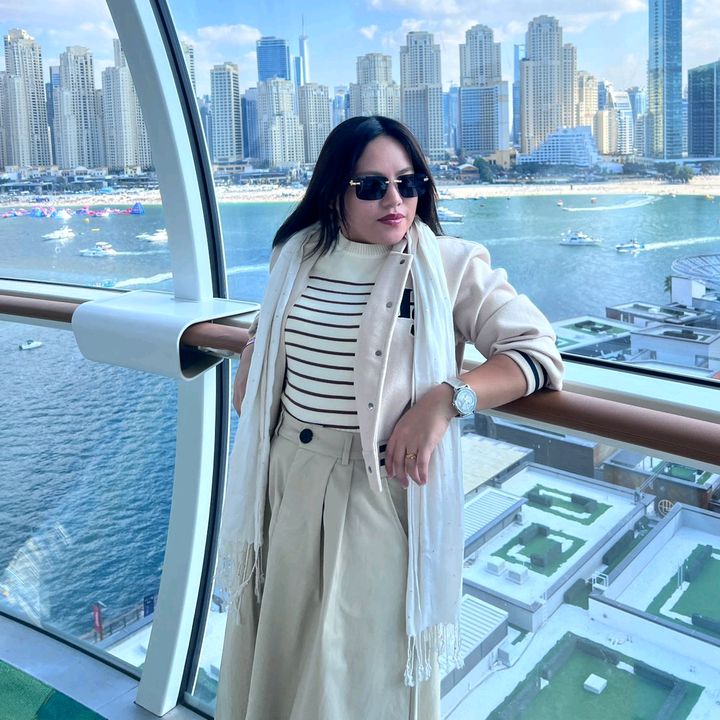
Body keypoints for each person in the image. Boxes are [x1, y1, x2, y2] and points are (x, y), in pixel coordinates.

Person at [215, 116, 563, 720]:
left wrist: (446, 400)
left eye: (410, 182)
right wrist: (254, 349)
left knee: (356, 679)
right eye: (372, 186)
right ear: (335, 192)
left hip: (375, 493)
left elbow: (537, 353)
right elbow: (278, 335)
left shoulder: (448, 267)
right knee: (280, 657)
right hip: (285, 481)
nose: (396, 200)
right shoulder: (295, 254)